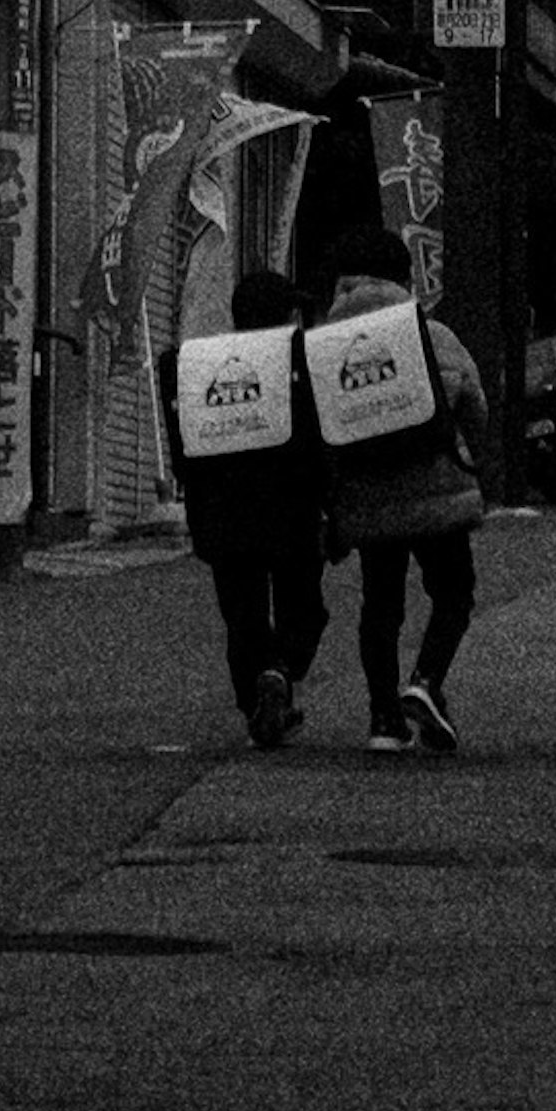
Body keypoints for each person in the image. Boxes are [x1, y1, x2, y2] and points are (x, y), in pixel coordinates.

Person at [314, 232, 489, 754]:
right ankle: (427, 681)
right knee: (453, 593)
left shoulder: (323, 343)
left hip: (366, 495)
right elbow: (474, 406)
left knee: (381, 605)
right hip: (436, 488)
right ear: (403, 279)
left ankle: (384, 720)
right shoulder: (431, 334)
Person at [157, 264, 329, 749]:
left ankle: (258, 700)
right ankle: (279, 671)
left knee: (243, 614)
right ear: (287, 313)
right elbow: (319, 435)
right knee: (305, 608)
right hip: (291, 505)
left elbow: (182, 442)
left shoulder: (196, 363)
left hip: (221, 510)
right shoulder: (299, 356)